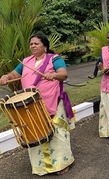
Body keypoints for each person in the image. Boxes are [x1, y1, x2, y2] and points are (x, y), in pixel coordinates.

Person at [0, 34, 75, 175]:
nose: (33, 46)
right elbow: (14, 74)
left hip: (52, 102)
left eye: (36, 43)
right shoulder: (25, 61)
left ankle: (63, 163)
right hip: (31, 105)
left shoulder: (55, 59)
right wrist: (6, 77)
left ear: (45, 46)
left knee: (57, 134)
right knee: (35, 132)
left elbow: (63, 74)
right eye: (31, 44)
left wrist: (54, 75)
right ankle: (42, 167)